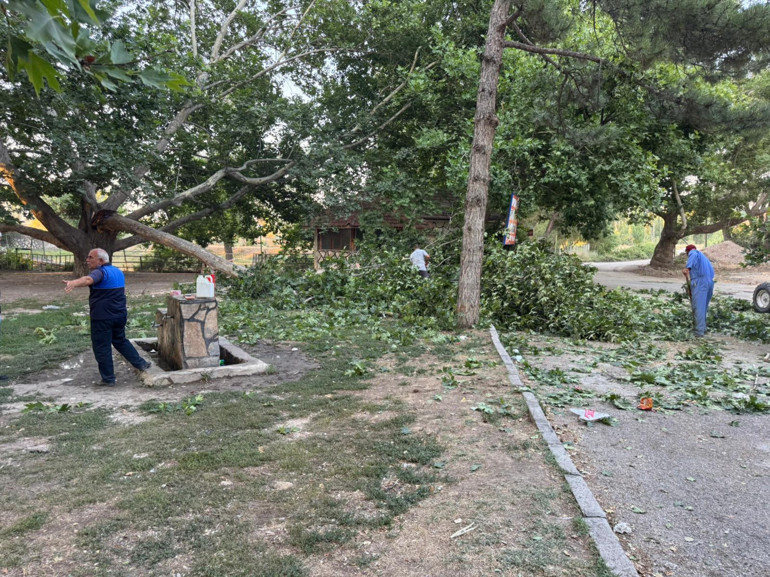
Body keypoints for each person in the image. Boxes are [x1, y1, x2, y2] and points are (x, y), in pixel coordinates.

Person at [63, 248, 151, 385]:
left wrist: (73, 283)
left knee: (101, 347)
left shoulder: (100, 272)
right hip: (120, 315)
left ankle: (108, 379)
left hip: (102, 318)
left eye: (90, 257)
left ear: (101, 261)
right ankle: (141, 364)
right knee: (120, 340)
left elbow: (88, 279)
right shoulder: (118, 271)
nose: (87, 260)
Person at [682, 244, 715, 338]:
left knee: (698, 307)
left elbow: (692, 256)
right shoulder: (704, 257)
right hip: (709, 282)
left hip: (700, 282)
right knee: (703, 306)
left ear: (687, 251)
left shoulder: (693, 252)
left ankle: (699, 332)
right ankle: (703, 328)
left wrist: (687, 268)